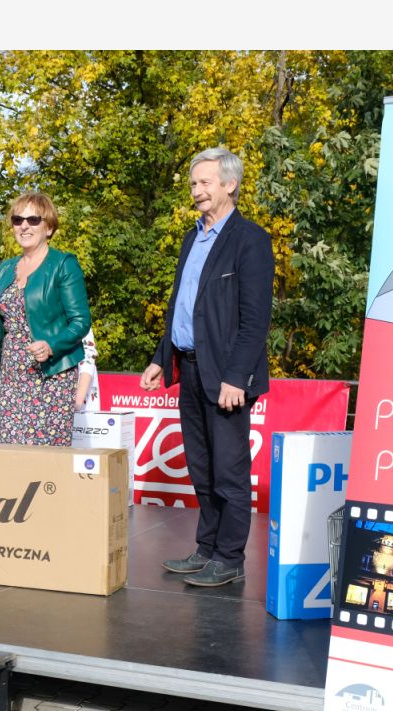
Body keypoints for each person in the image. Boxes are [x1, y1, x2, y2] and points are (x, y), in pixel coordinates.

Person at [140, 148, 274, 588]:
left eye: (205, 183)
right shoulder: (191, 238)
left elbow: (255, 320)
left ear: (230, 185)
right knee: (200, 465)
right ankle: (207, 548)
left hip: (226, 375)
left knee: (228, 470)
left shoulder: (249, 240)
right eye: (194, 183)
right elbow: (182, 308)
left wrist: (237, 377)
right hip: (191, 369)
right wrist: (161, 358)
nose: (197, 191)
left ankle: (230, 558)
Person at [0, 192, 90, 444]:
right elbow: (1, 329)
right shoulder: (6, 268)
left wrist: (52, 345)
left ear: (49, 227)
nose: (24, 226)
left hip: (52, 376)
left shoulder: (63, 264)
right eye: (17, 220)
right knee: (10, 452)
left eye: (33, 220)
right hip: (11, 377)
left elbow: (80, 322)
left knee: (46, 455)